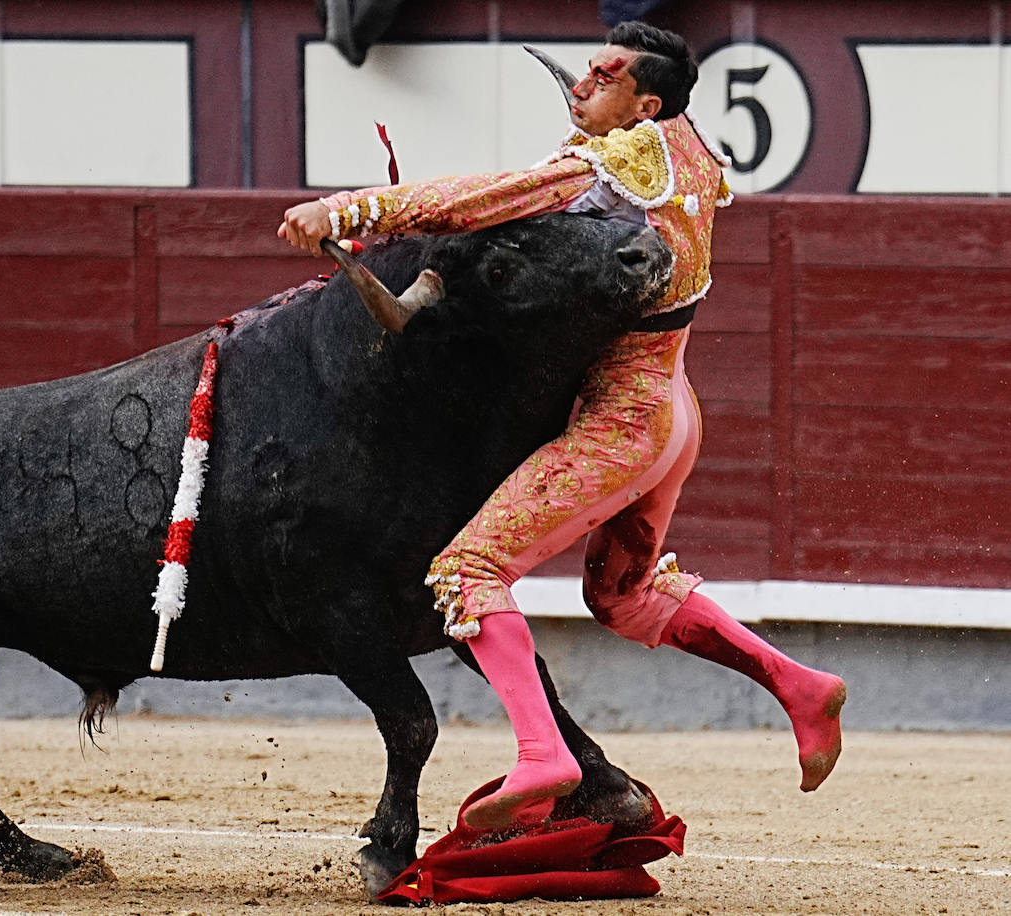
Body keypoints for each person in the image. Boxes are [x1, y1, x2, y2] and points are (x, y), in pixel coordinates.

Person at [278, 21, 846, 830]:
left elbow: (492, 198)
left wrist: (349, 208)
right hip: (672, 409)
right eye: (586, 69)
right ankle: (802, 687)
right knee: (624, 596)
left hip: (623, 417)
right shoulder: (683, 147)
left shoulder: (619, 164)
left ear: (645, 103)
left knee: (469, 570)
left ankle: (544, 752)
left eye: (605, 76)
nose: (584, 83)